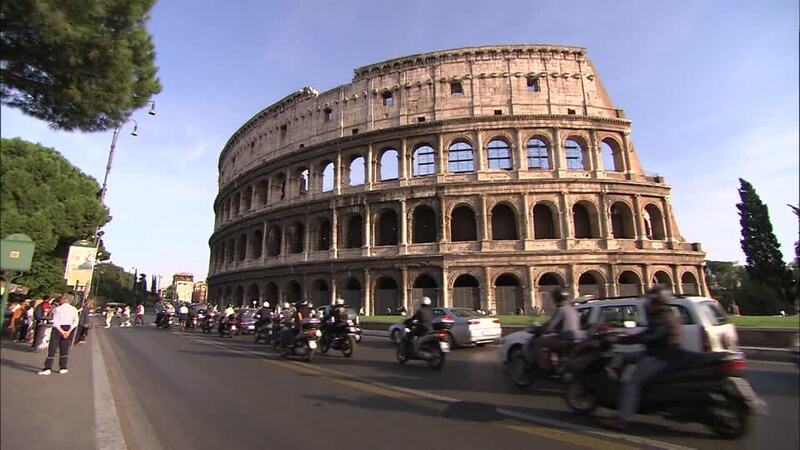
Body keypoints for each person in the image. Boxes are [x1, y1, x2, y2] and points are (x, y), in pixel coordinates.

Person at [602, 287, 682, 430]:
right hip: (657, 353)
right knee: (622, 356)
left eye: (650, 301)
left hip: (660, 357)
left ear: (657, 302)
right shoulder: (664, 314)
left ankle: (622, 419)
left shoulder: (662, 318)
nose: (646, 304)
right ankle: (617, 390)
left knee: (632, 383)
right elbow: (648, 334)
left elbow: (648, 336)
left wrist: (623, 340)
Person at [526, 288, 580, 371]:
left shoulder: (560, 309)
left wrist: (538, 329)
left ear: (556, 298)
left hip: (564, 338)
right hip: (575, 338)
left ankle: (544, 367)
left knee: (537, 342)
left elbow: (550, 327)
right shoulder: (573, 309)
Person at [38, 295, 79, 375]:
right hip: (68, 327)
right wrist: (68, 331)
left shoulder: (58, 309)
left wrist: (62, 331)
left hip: (58, 329)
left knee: (52, 348)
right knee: (64, 348)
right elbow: (76, 322)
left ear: (63, 300)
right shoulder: (74, 309)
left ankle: (48, 367)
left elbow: (55, 322)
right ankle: (63, 367)